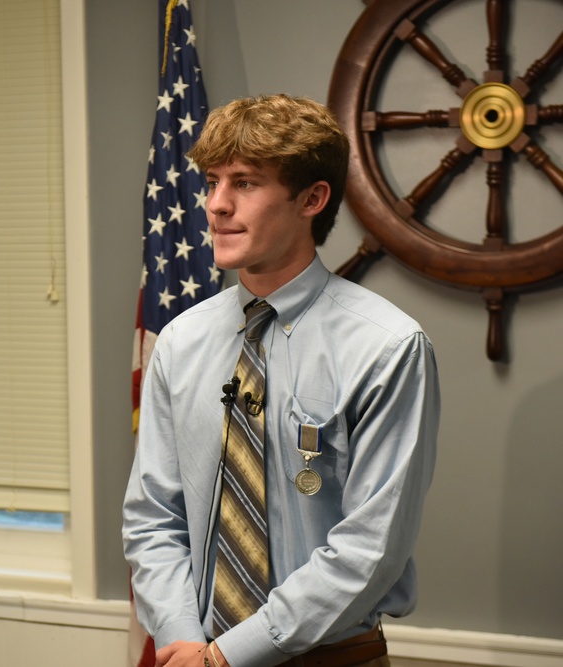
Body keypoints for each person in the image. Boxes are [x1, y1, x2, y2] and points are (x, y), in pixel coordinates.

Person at [122, 94, 440, 667]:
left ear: (312, 199)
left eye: (244, 183)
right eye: (212, 182)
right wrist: (182, 637)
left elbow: (371, 549)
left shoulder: (387, 347)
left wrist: (228, 656)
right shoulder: (180, 342)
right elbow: (154, 516)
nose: (216, 205)